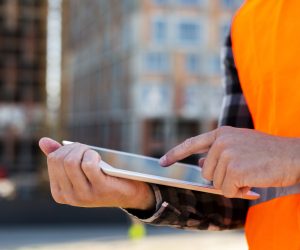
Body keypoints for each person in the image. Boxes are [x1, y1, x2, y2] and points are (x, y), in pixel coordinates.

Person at [39, 1, 300, 249]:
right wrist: (137, 194)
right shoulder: (247, 22)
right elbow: (237, 197)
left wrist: (292, 156)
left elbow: (283, 160)